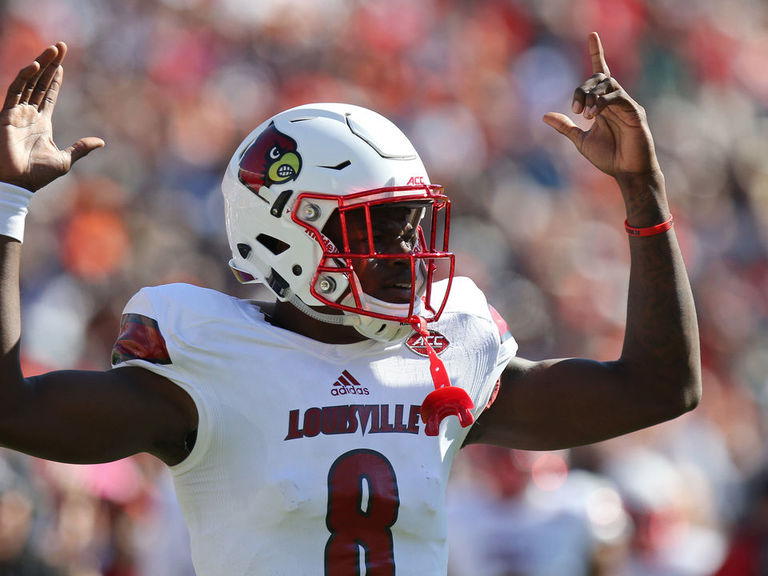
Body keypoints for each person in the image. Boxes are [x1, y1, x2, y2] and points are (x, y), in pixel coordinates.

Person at [0, 32, 700, 576]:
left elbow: (658, 389)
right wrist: (7, 204)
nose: (407, 252)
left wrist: (644, 192)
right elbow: (13, 412)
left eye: (409, 222)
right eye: (377, 228)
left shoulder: (445, 349)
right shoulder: (208, 366)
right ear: (285, 231)